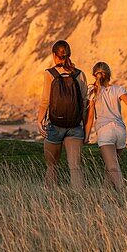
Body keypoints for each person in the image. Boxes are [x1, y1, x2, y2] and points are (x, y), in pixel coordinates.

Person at [85, 61, 127, 191]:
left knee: (113, 167)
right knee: (111, 166)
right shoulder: (118, 89)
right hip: (120, 131)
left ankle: (124, 193)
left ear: (94, 75)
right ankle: (106, 196)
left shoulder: (93, 91)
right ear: (109, 74)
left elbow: (90, 117)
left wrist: (86, 136)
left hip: (105, 131)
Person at [36, 40, 89, 188]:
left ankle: (50, 200)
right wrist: (85, 128)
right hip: (75, 126)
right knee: (75, 167)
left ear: (54, 55)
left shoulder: (50, 74)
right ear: (69, 55)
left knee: (52, 166)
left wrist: (39, 121)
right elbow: (85, 103)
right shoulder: (80, 75)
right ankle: (80, 200)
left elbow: (45, 100)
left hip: (55, 125)